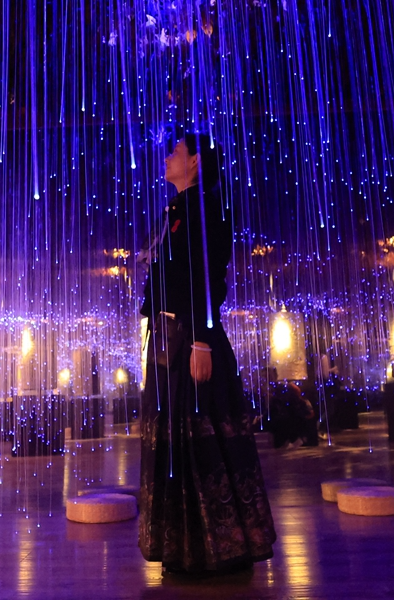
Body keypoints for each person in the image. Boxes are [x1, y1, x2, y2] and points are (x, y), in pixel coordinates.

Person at [137, 133, 277, 575]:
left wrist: (200, 339)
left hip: (188, 337)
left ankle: (216, 550)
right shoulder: (178, 210)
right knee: (178, 443)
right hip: (168, 338)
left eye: (176, 151)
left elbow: (208, 276)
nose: (167, 157)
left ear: (195, 162)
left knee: (199, 440)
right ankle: (186, 547)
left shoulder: (203, 209)